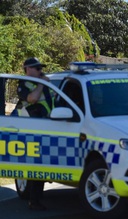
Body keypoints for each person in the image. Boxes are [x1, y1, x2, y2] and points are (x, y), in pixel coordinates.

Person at [15, 57, 53, 210]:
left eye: (41, 69)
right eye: (37, 69)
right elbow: (33, 98)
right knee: (38, 165)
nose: (40, 71)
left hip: (48, 127)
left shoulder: (43, 84)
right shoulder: (23, 84)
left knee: (42, 165)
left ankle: (36, 197)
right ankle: (34, 201)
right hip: (33, 130)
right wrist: (41, 84)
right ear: (28, 69)